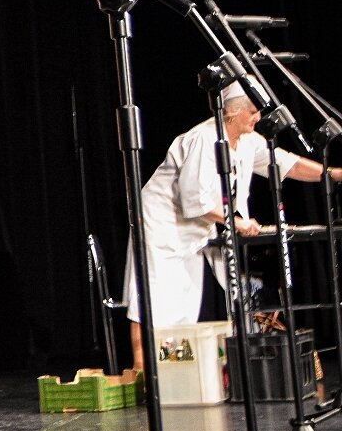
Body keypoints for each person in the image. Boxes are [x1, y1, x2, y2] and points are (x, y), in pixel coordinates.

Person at [122, 82, 342, 367]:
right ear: (231, 112)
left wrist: (333, 174)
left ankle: (171, 371)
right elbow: (193, 198)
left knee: (182, 305)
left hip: (193, 230)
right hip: (160, 225)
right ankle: (143, 372)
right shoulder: (205, 139)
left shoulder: (248, 141)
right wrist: (236, 222)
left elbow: (287, 164)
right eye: (252, 112)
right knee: (154, 299)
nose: (258, 117)